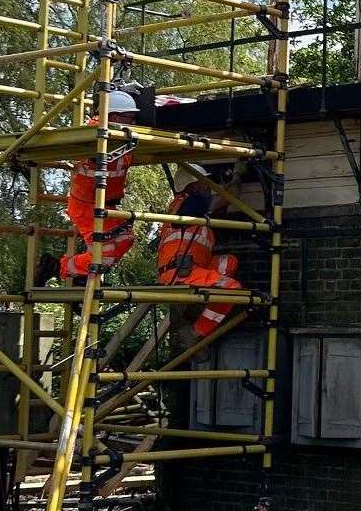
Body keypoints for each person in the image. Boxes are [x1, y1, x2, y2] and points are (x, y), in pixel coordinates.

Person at [56, 88, 139, 281]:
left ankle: (82, 274)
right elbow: (94, 127)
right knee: (105, 254)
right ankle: (62, 268)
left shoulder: (123, 136)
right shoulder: (94, 131)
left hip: (105, 206)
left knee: (126, 239)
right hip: (86, 205)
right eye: (130, 117)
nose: (134, 122)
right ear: (113, 115)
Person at [155, 178, 242, 338]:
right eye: (204, 182)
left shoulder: (182, 206)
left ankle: (199, 306)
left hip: (186, 266)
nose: (208, 185)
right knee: (231, 288)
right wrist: (238, 174)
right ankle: (195, 332)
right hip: (181, 272)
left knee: (229, 262)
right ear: (192, 186)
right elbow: (230, 196)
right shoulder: (191, 204)